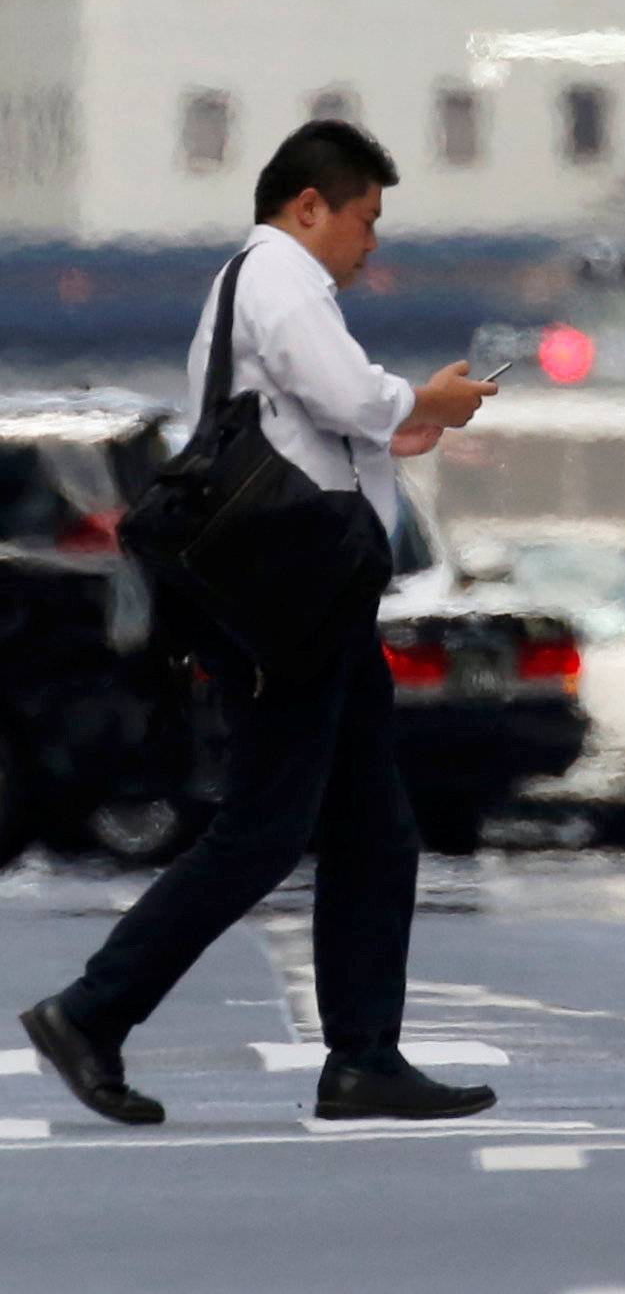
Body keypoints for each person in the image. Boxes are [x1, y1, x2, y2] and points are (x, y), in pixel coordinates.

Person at [19, 120, 499, 1127]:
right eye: (365, 220)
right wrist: (424, 397)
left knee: (376, 829)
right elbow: (338, 392)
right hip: (290, 606)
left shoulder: (277, 286)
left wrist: (400, 424)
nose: (372, 244)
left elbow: (315, 421)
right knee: (263, 829)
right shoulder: (280, 277)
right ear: (309, 206)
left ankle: (365, 1057)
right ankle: (93, 1011)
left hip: (312, 597)